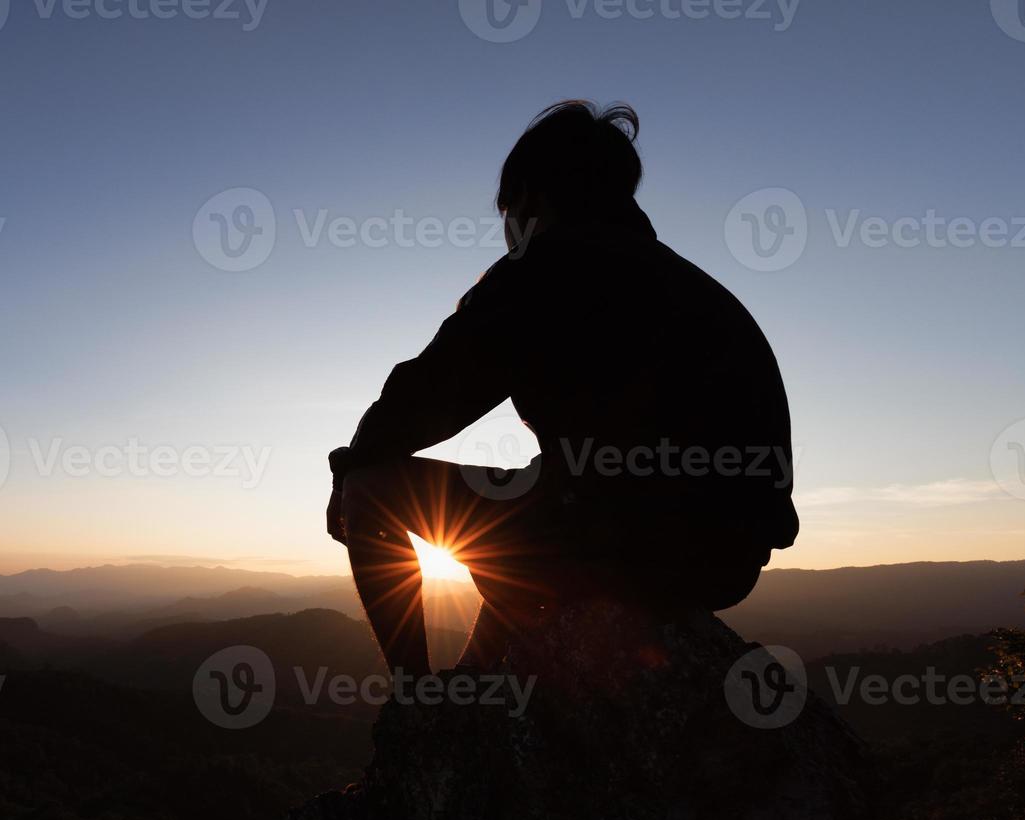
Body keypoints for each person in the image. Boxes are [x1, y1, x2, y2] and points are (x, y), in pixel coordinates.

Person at [326, 100, 799, 676]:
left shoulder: (540, 271)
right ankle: (472, 688)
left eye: (507, 212)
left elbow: (422, 400)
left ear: (529, 198)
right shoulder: (702, 291)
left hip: (618, 542)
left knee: (369, 489)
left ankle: (416, 699)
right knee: (545, 494)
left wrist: (347, 465)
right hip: (724, 562)